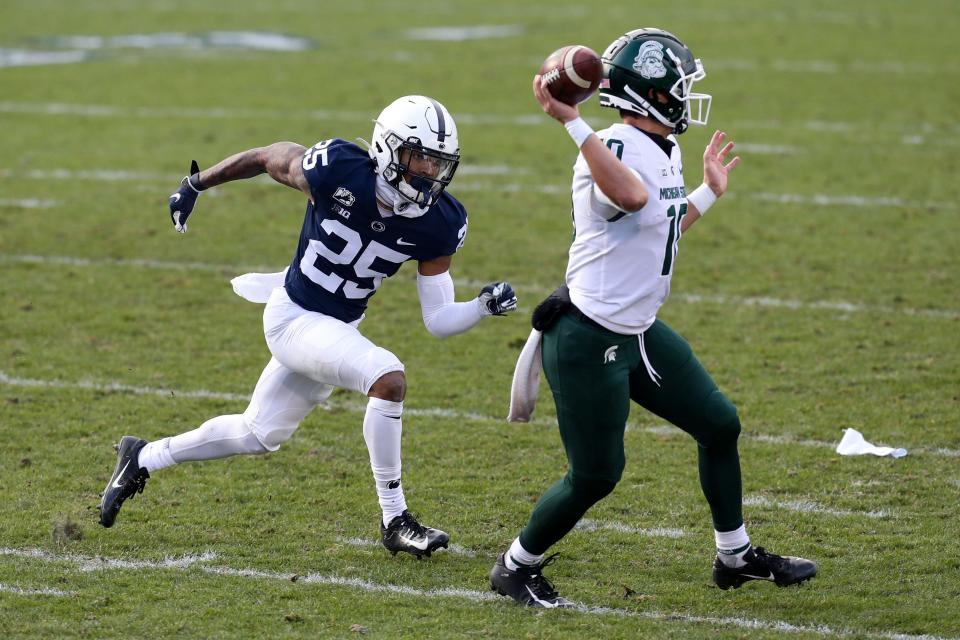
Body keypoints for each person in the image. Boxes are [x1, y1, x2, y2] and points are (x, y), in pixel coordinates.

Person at [98, 95, 519, 559]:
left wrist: (480, 306)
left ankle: (143, 457)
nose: (428, 173)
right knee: (388, 378)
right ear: (387, 149)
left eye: (438, 164)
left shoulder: (440, 222)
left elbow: (437, 321)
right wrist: (195, 183)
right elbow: (265, 157)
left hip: (336, 327)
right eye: (418, 158)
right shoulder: (338, 168)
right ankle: (395, 518)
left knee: (258, 433)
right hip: (293, 318)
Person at [490, 29, 817, 607]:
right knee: (595, 476)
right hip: (590, 338)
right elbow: (634, 200)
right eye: (680, 85)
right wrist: (570, 120)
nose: (688, 96)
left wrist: (708, 194)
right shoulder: (610, 144)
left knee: (720, 425)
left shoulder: (661, 146)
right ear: (653, 93)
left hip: (637, 330)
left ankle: (734, 556)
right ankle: (516, 566)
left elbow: (660, 224)